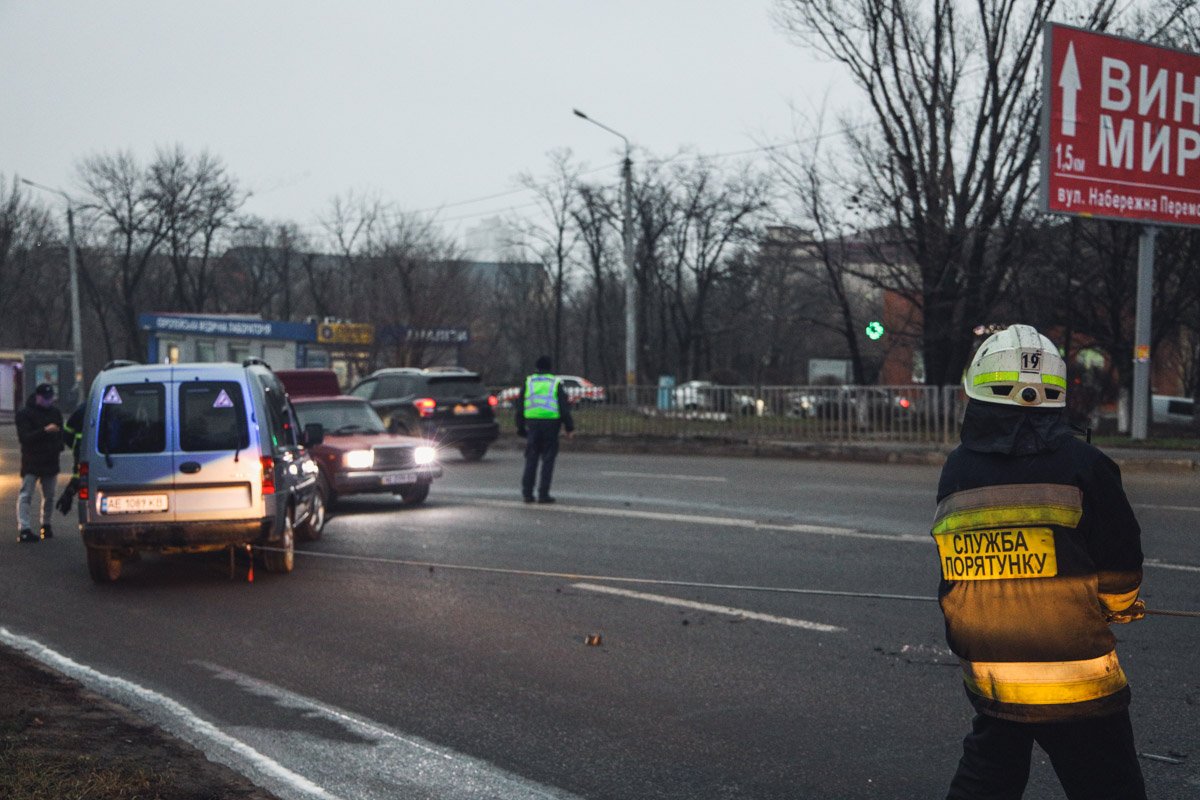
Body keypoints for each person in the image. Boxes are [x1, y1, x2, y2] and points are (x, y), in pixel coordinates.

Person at [933, 324, 1146, 800]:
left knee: (988, 776)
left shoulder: (958, 469)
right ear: (1056, 396)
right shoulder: (1085, 464)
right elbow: (1120, 561)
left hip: (993, 670)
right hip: (1075, 681)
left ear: (978, 394)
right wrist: (1118, 604)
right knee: (1108, 785)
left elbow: (954, 568)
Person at [514, 356, 574, 504]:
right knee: (548, 460)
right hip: (551, 425)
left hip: (532, 424)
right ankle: (543, 494)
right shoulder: (555, 383)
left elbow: (520, 407)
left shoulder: (529, 382)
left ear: (536, 367)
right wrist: (569, 427)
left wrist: (520, 427)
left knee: (531, 460)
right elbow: (564, 408)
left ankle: (527, 494)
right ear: (549, 367)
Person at [15, 383, 64, 542]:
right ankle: (24, 528)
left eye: (50, 398)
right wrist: (45, 431)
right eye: (45, 398)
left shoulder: (55, 413)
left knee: (49, 495)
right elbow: (25, 438)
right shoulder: (25, 414)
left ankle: (46, 525)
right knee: (26, 495)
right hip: (32, 460)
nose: (49, 401)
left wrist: (58, 445)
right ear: (38, 396)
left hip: (49, 460)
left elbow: (61, 434)